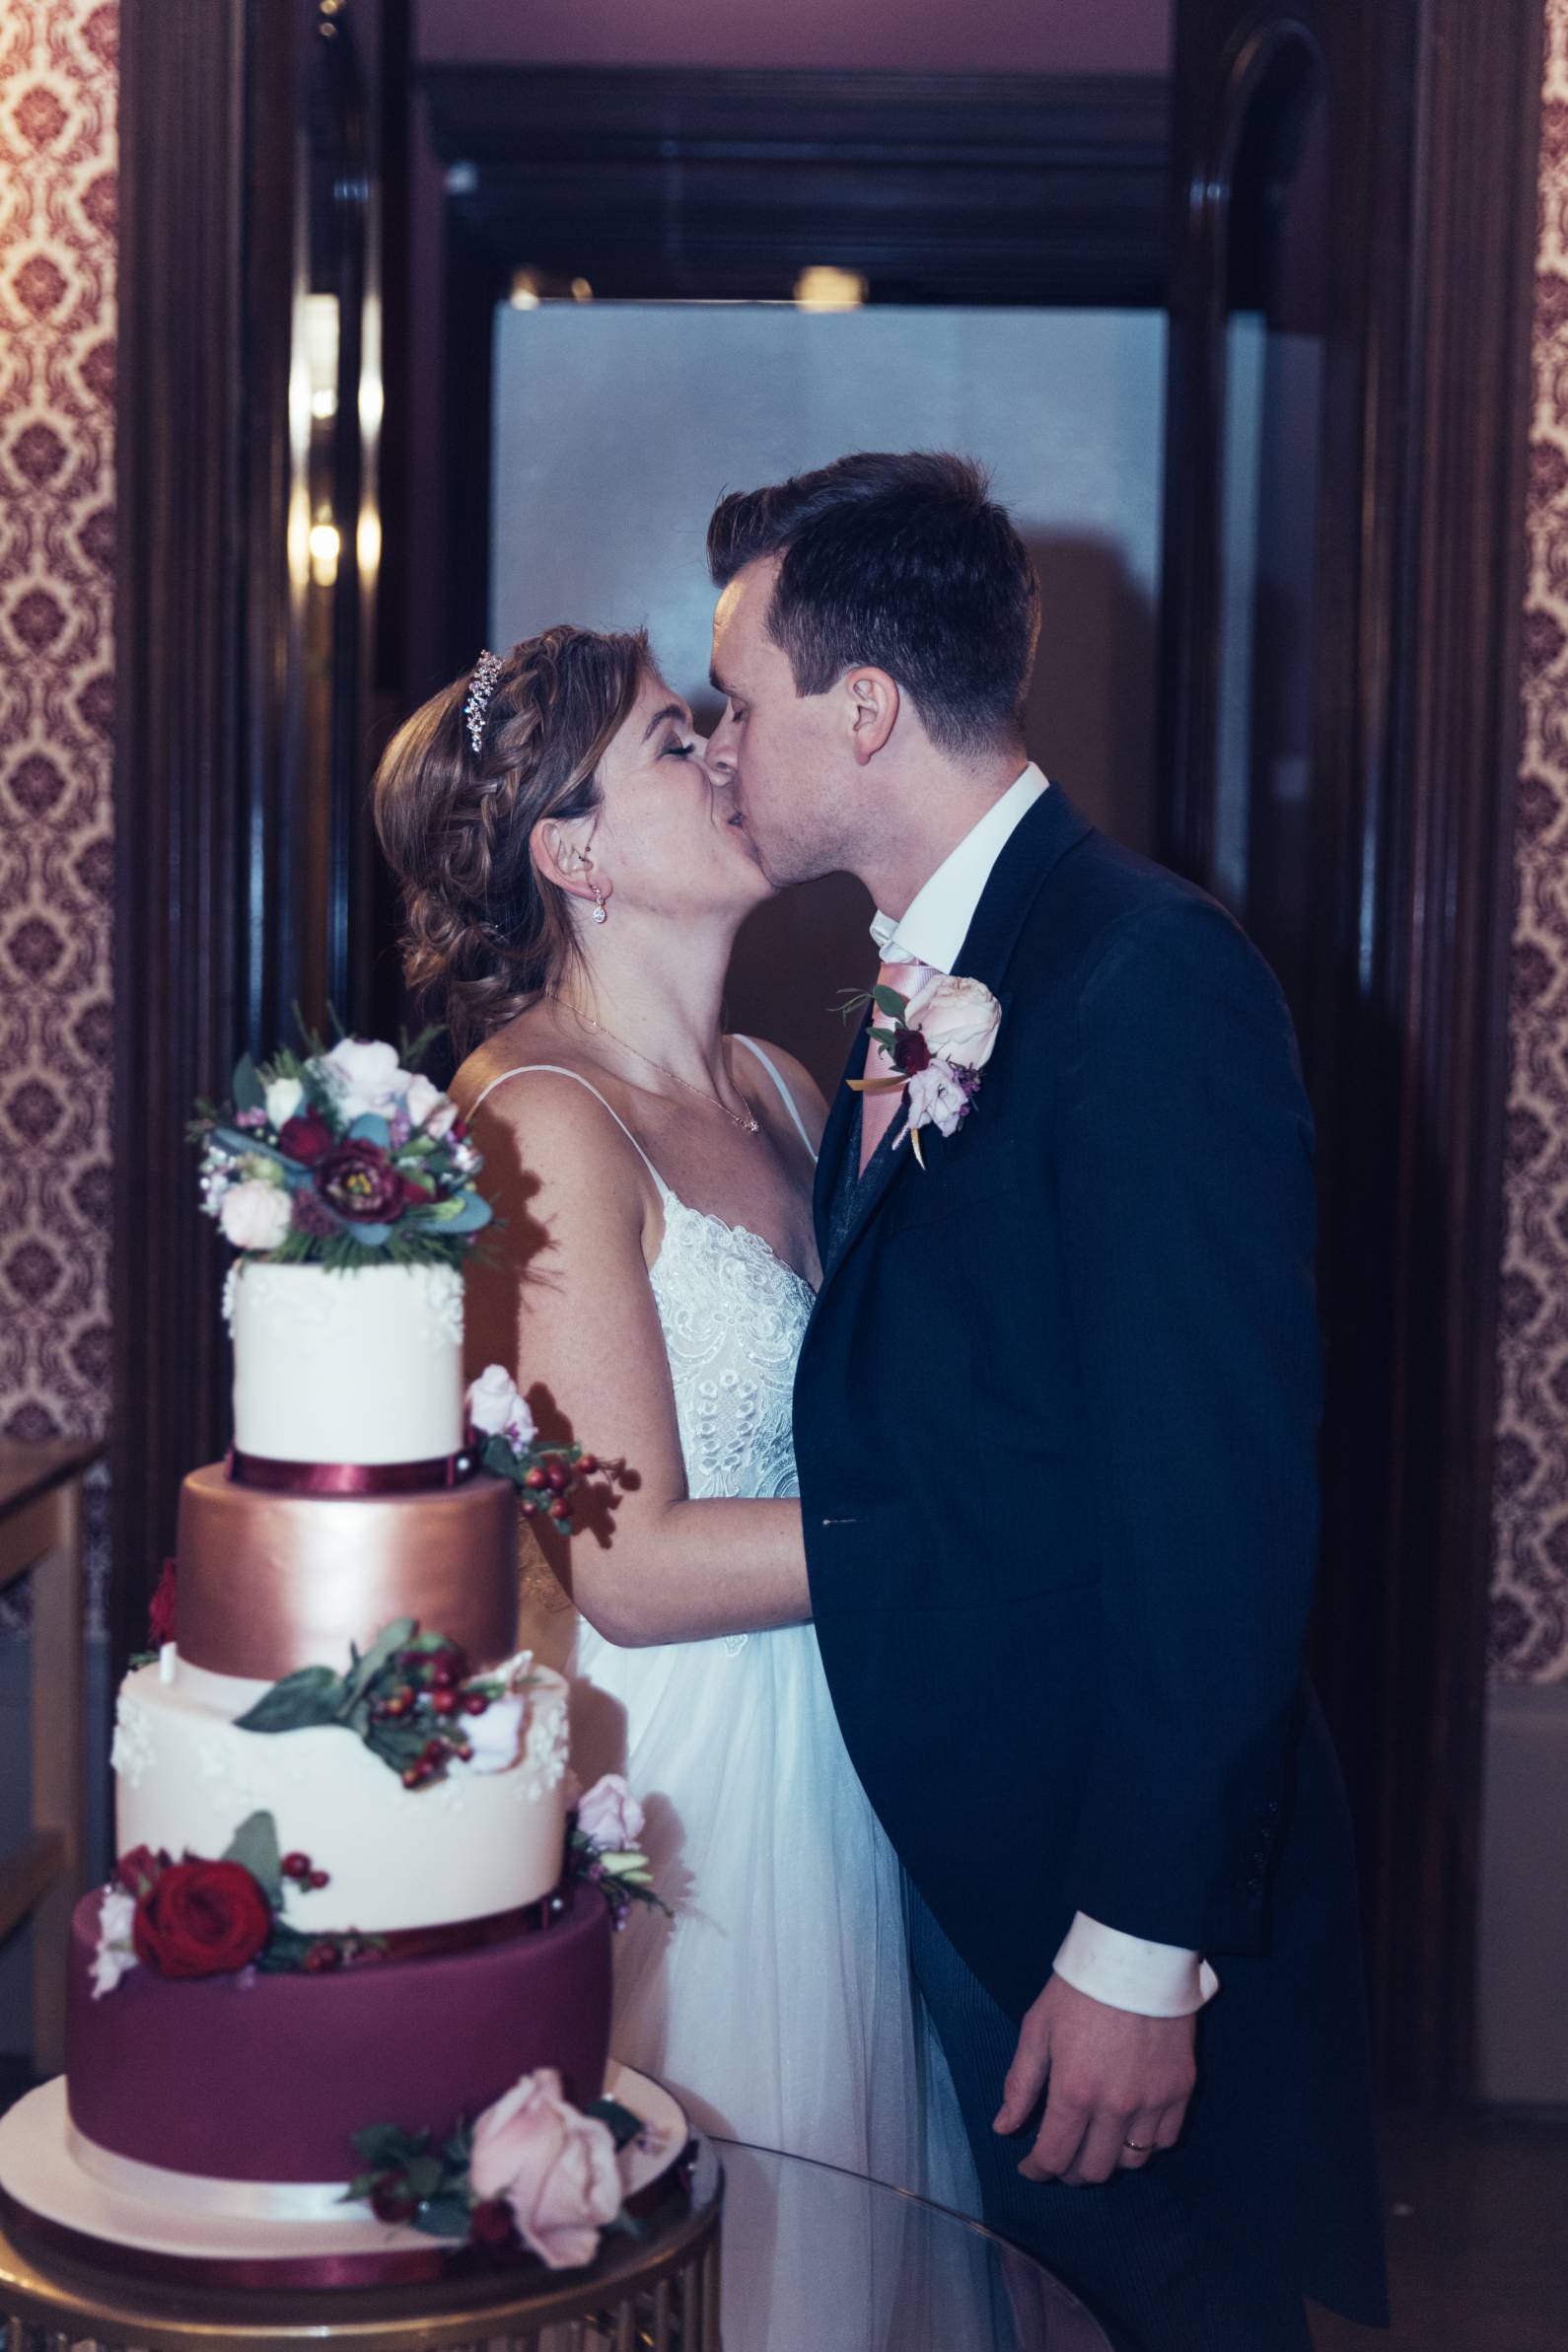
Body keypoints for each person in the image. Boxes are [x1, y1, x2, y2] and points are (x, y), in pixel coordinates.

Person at [699, 450, 1389, 2352]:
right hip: (945, 1853)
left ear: (863, 708)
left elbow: (1214, 1505)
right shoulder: (922, 979)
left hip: (1088, 1889)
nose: (716, 745)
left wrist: (1135, 1943)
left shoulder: (1140, 974)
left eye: (735, 702)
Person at [372, 624, 975, 2229]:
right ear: (572, 853)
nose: (721, 749)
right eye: (667, 738)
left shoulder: (783, 1087)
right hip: (699, 1774)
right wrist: (960, 1529)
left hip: (849, 1726)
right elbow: (627, 1566)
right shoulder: (538, 1121)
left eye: (707, 718)